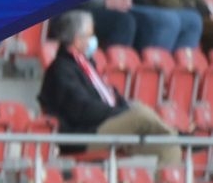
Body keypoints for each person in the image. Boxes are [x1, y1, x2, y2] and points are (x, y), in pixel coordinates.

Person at [37, 10, 182, 165]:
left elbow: (108, 95)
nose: (94, 40)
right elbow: (82, 110)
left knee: (169, 146)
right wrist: (119, 113)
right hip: (84, 134)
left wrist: (123, 107)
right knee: (139, 114)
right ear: (77, 40)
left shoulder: (86, 64)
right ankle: (180, 135)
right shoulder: (61, 70)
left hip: (103, 125)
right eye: (90, 35)